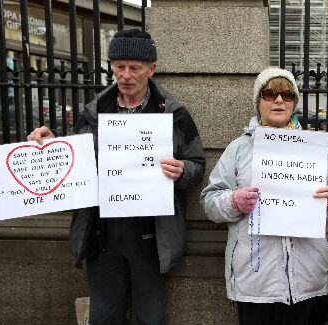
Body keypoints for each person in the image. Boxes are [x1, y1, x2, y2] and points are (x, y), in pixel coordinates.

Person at [27, 29, 205, 325]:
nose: (125, 75)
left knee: (151, 319)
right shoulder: (94, 112)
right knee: (103, 319)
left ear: (152, 69)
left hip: (151, 238)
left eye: (134, 68)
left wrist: (184, 171)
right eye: (118, 66)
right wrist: (52, 147)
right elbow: (74, 164)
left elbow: (197, 163)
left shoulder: (174, 115)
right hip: (103, 236)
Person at [200, 67, 328, 325]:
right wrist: (233, 201)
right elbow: (210, 201)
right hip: (255, 282)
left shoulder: (314, 150)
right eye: (270, 93)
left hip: (307, 279)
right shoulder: (239, 149)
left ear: (294, 103)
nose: (279, 100)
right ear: (259, 102)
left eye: (287, 95)